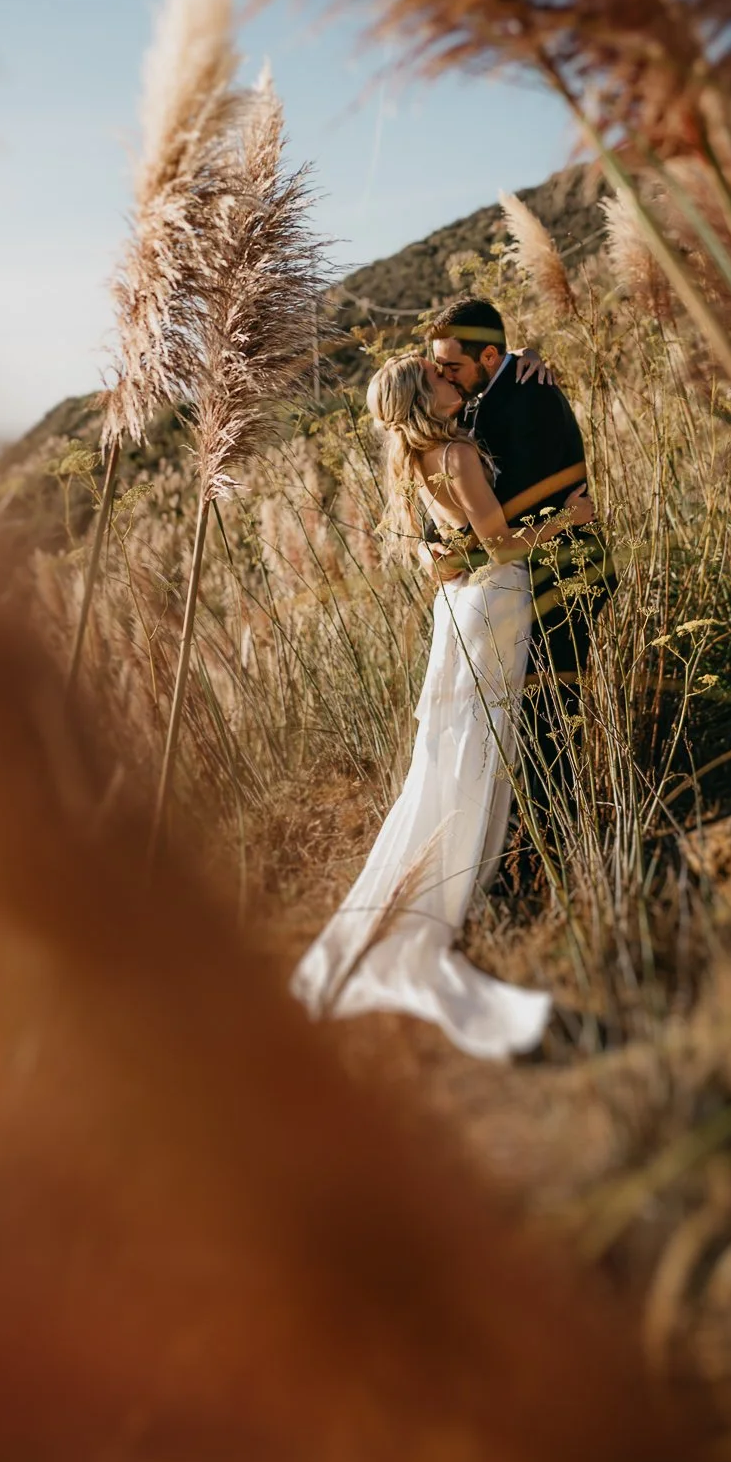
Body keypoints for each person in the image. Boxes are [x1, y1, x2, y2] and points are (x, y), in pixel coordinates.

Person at [291, 352, 594, 1060]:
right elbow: (495, 543)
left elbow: (449, 548)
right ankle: (459, 879)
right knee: (482, 742)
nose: (452, 382)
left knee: (461, 741)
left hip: (460, 603)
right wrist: (567, 517)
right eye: (439, 379)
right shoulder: (456, 453)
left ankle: (444, 872)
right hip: (495, 596)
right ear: (421, 399)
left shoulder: (415, 458)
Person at [428, 297, 612, 875]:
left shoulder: (527, 396)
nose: (441, 376)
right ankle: (533, 847)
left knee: (548, 720)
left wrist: (463, 541)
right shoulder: (485, 396)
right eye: (436, 368)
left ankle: (552, 854)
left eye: (450, 367)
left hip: (563, 575)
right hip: (518, 581)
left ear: (489, 355)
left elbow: (511, 511)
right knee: (528, 722)